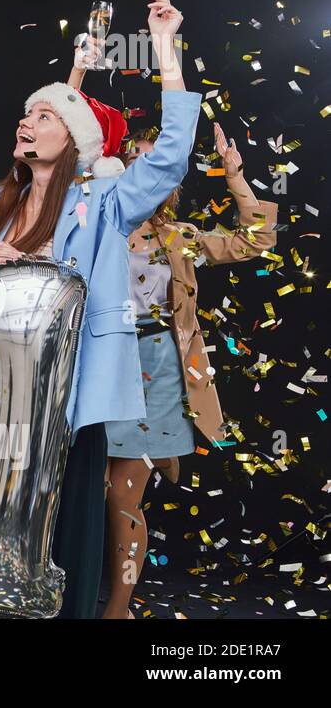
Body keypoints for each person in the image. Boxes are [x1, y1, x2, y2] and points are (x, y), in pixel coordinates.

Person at [0, 0, 201, 619]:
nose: (28, 122)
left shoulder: (103, 206)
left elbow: (169, 160)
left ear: (74, 138)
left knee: (60, 543)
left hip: (69, 400)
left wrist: (165, 53)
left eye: (45, 116)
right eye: (27, 114)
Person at [89, 117, 277, 618]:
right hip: (97, 367)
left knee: (123, 495)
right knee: (91, 486)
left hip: (158, 369)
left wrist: (234, 176)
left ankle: (118, 609)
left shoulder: (178, 238)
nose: (148, 172)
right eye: (137, 161)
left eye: (161, 165)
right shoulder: (91, 226)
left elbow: (255, 241)